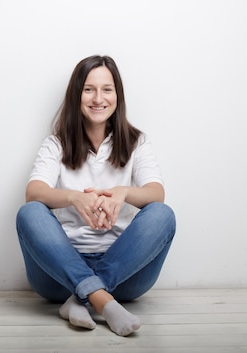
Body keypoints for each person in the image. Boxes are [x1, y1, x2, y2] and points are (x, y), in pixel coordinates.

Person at [16, 55, 176, 336]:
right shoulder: (56, 143)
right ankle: (102, 301)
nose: (98, 98)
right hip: (59, 273)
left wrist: (122, 193)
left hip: (125, 273)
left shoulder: (137, 143)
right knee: (29, 212)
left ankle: (83, 298)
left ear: (118, 95)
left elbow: (156, 193)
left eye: (107, 89)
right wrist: (74, 198)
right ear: (76, 94)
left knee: (163, 214)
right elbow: (34, 191)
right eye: (88, 89)